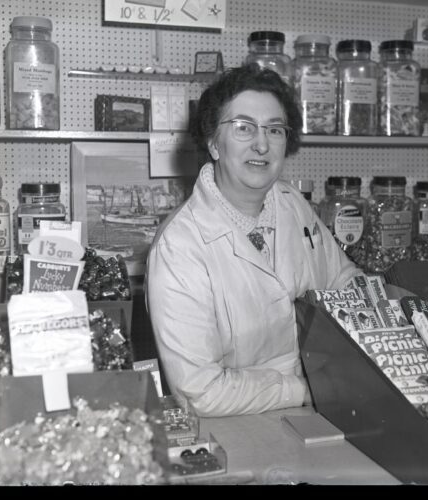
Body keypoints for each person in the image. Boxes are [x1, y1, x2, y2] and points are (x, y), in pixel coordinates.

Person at [146, 64, 361, 417]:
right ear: (214, 142)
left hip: (321, 412)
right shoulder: (179, 246)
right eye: (244, 128)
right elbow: (201, 393)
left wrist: (389, 312)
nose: (262, 144)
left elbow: (343, 281)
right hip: (236, 430)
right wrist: (310, 390)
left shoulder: (292, 204)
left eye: (274, 130)